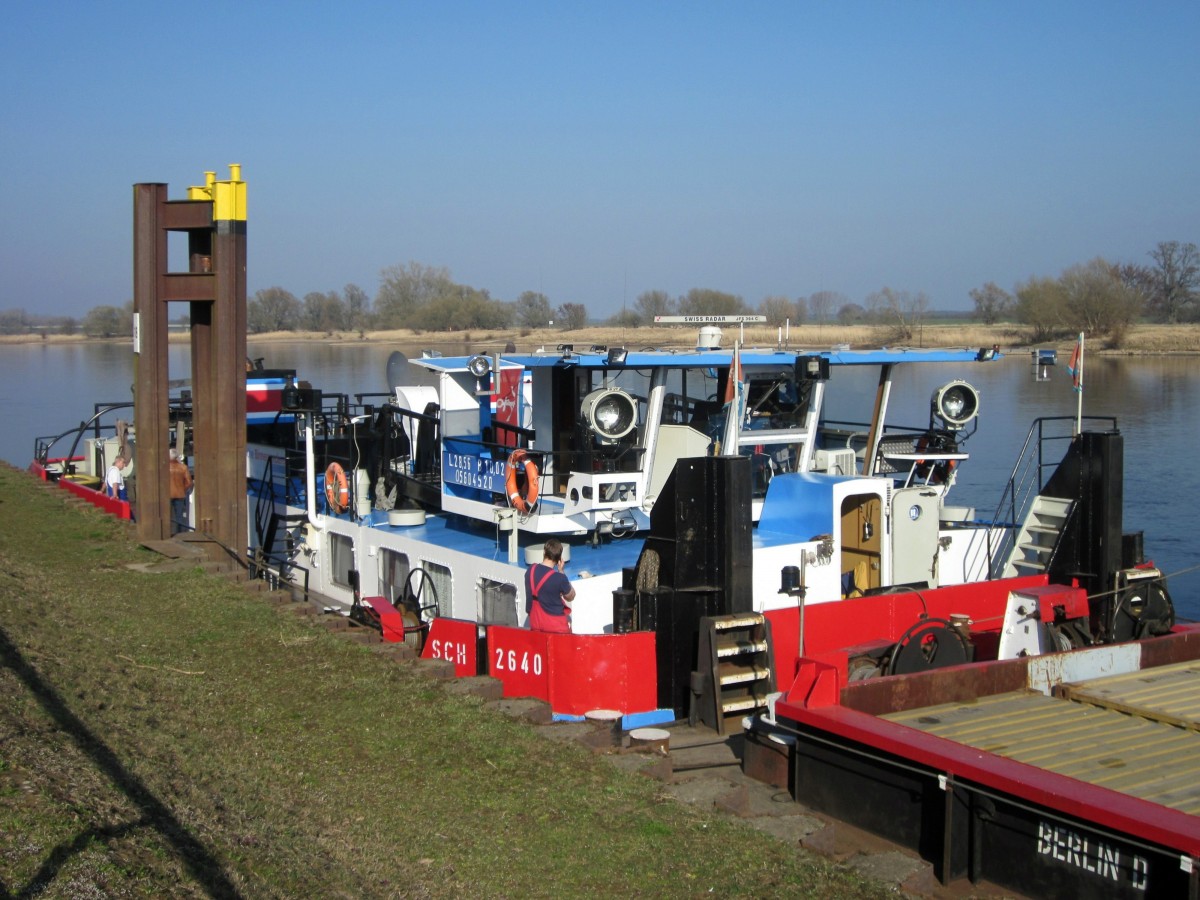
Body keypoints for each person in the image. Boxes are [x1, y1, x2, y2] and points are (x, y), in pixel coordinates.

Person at [525, 538, 575, 633]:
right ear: (559, 559)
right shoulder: (559, 578)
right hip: (556, 628)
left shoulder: (530, 570)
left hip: (535, 623)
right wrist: (561, 571)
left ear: (544, 552)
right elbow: (570, 596)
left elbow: (531, 599)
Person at [169, 448, 193, 534]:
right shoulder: (183, 467)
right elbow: (189, 482)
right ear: (176, 457)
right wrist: (183, 489)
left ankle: (168, 533)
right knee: (179, 516)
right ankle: (179, 533)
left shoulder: (164, 467)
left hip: (167, 494)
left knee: (168, 515)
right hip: (180, 494)